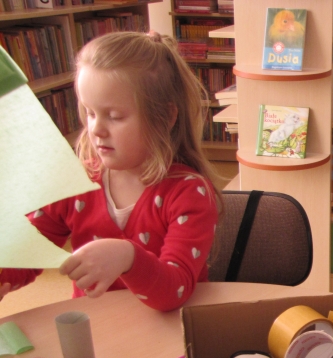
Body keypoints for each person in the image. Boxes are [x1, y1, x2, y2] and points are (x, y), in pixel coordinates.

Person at [0, 32, 219, 312]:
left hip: (170, 331)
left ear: (165, 117)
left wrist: (128, 258)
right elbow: (27, 253)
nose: (96, 129)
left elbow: (174, 291)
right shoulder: (77, 183)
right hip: (98, 329)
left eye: (114, 117)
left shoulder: (189, 193)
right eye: (90, 113)